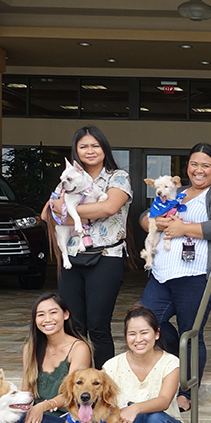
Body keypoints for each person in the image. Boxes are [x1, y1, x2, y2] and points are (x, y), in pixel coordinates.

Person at [139, 143, 211, 412]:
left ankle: (187, 391)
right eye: (194, 163)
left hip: (198, 274)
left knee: (191, 333)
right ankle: (173, 363)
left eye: (206, 165)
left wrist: (184, 228)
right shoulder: (175, 191)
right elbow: (144, 217)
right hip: (162, 274)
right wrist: (153, 222)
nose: (199, 169)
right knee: (145, 322)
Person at [41, 125, 132, 369]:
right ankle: (77, 384)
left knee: (98, 325)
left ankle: (104, 384)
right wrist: (69, 214)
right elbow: (45, 214)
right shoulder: (68, 178)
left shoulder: (117, 177)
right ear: (76, 151)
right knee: (74, 325)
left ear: (104, 148)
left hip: (106, 256)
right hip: (71, 258)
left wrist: (69, 213)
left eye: (95, 145)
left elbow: (109, 208)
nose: (90, 151)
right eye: (83, 146)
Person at [17, 293, 92, 423]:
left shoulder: (79, 348)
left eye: (53, 312)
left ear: (65, 315)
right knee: (13, 420)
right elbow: (26, 391)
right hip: (40, 414)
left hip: (71, 419)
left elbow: (73, 394)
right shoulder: (31, 348)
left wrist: (43, 406)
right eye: (40, 314)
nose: (47, 319)